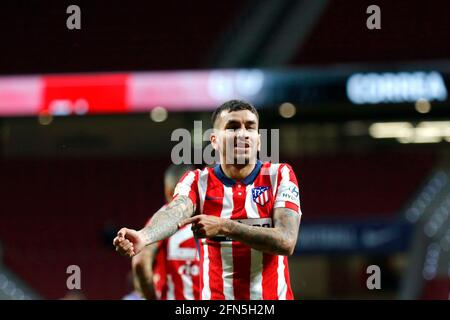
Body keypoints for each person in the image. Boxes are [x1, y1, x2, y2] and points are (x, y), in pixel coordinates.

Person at [114, 99, 302, 300]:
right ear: (214, 140)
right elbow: (175, 211)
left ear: (258, 139)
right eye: (232, 127)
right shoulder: (197, 181)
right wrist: (144, 236)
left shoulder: (280, 174)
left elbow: (286, 241)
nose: (242, 133)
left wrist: (224, 226)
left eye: (250, 127)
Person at [131, 164, 200, 300]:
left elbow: (140, 262)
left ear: (169, 191)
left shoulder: (161, 220)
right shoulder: (213, 217)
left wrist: (151, 296)